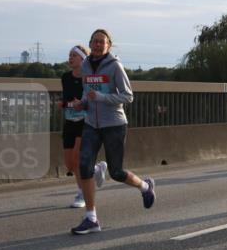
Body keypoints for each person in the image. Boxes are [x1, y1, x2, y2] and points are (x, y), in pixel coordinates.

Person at [69, 29, 156, 235]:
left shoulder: (115, 66)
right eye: (95, 41)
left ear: (109, 45)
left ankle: (145, 186)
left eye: (102, 42)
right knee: (84, 166)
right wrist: (81, 104)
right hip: (91, 123)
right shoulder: (85, 66)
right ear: (90, 43)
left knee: (116, 172)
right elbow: (86, 92)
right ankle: (91, 218)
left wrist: (100, 98)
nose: (98, 45)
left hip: (114, 124)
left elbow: (127, 96)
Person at [60, 45, 107, 208]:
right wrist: (65, 103)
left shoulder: (89, 78)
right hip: (69, 122)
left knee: (77, 159)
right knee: (69, 164)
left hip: (85, 121)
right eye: (69, 55)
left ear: (82, 59)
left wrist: (82, 104)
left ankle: (82, 194)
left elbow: (94, 99)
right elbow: (66, 100)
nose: (70, 58)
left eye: (74, 55)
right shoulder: (65, 77)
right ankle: (96, 168)